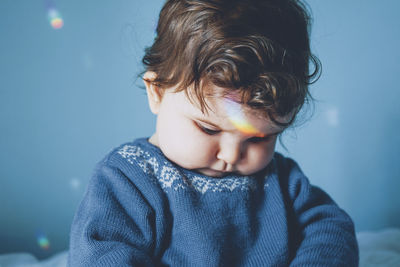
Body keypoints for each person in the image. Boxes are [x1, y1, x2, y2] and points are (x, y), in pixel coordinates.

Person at [68, 0, 359, 266]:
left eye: (259, 138)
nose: (231, 155)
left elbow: (331, 229)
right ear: (157, 92)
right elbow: (100, 255)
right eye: (208, 128)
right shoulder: (128, 178)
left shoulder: (281, 180)